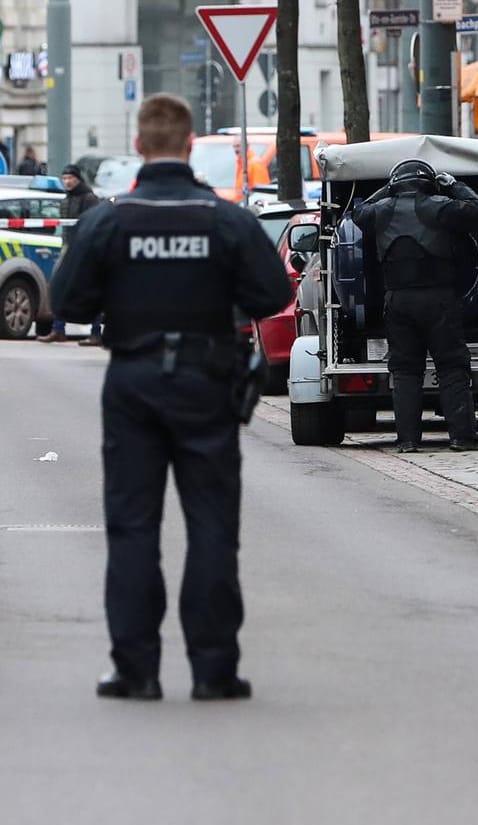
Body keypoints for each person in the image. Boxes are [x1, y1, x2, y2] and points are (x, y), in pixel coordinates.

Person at [50, 94, 292, 702]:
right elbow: (270, 293)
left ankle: (135, 670)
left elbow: (68, 304)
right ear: (189, 147)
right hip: (207, 381)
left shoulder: (109, 220)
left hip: (132, 380)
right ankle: (213, 671)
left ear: (138, 146)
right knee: (212, 527)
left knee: (133, 527)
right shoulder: (225, 218)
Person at [350, 159, 478, 454]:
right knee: (452, 366)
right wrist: (455, 185)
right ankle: (462, 436)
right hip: (439, 299)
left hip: (397, 300)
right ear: (429, 182)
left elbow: (357, 213)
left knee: (404, 370)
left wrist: (385, 190)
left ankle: (407, 440)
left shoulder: (379, 211)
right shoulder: (439, 205)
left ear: (395, 182)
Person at [40, 164, 105, 345]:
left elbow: (93, 223)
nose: (67, 182)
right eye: (65, 178)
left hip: (86, 250)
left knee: (92, 291)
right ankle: (58, 329)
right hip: (68, 248)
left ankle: (95, 333)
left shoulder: (89, 198)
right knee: (60, 286)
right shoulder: (66, 199)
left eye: (70, 178)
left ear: (78, 179)